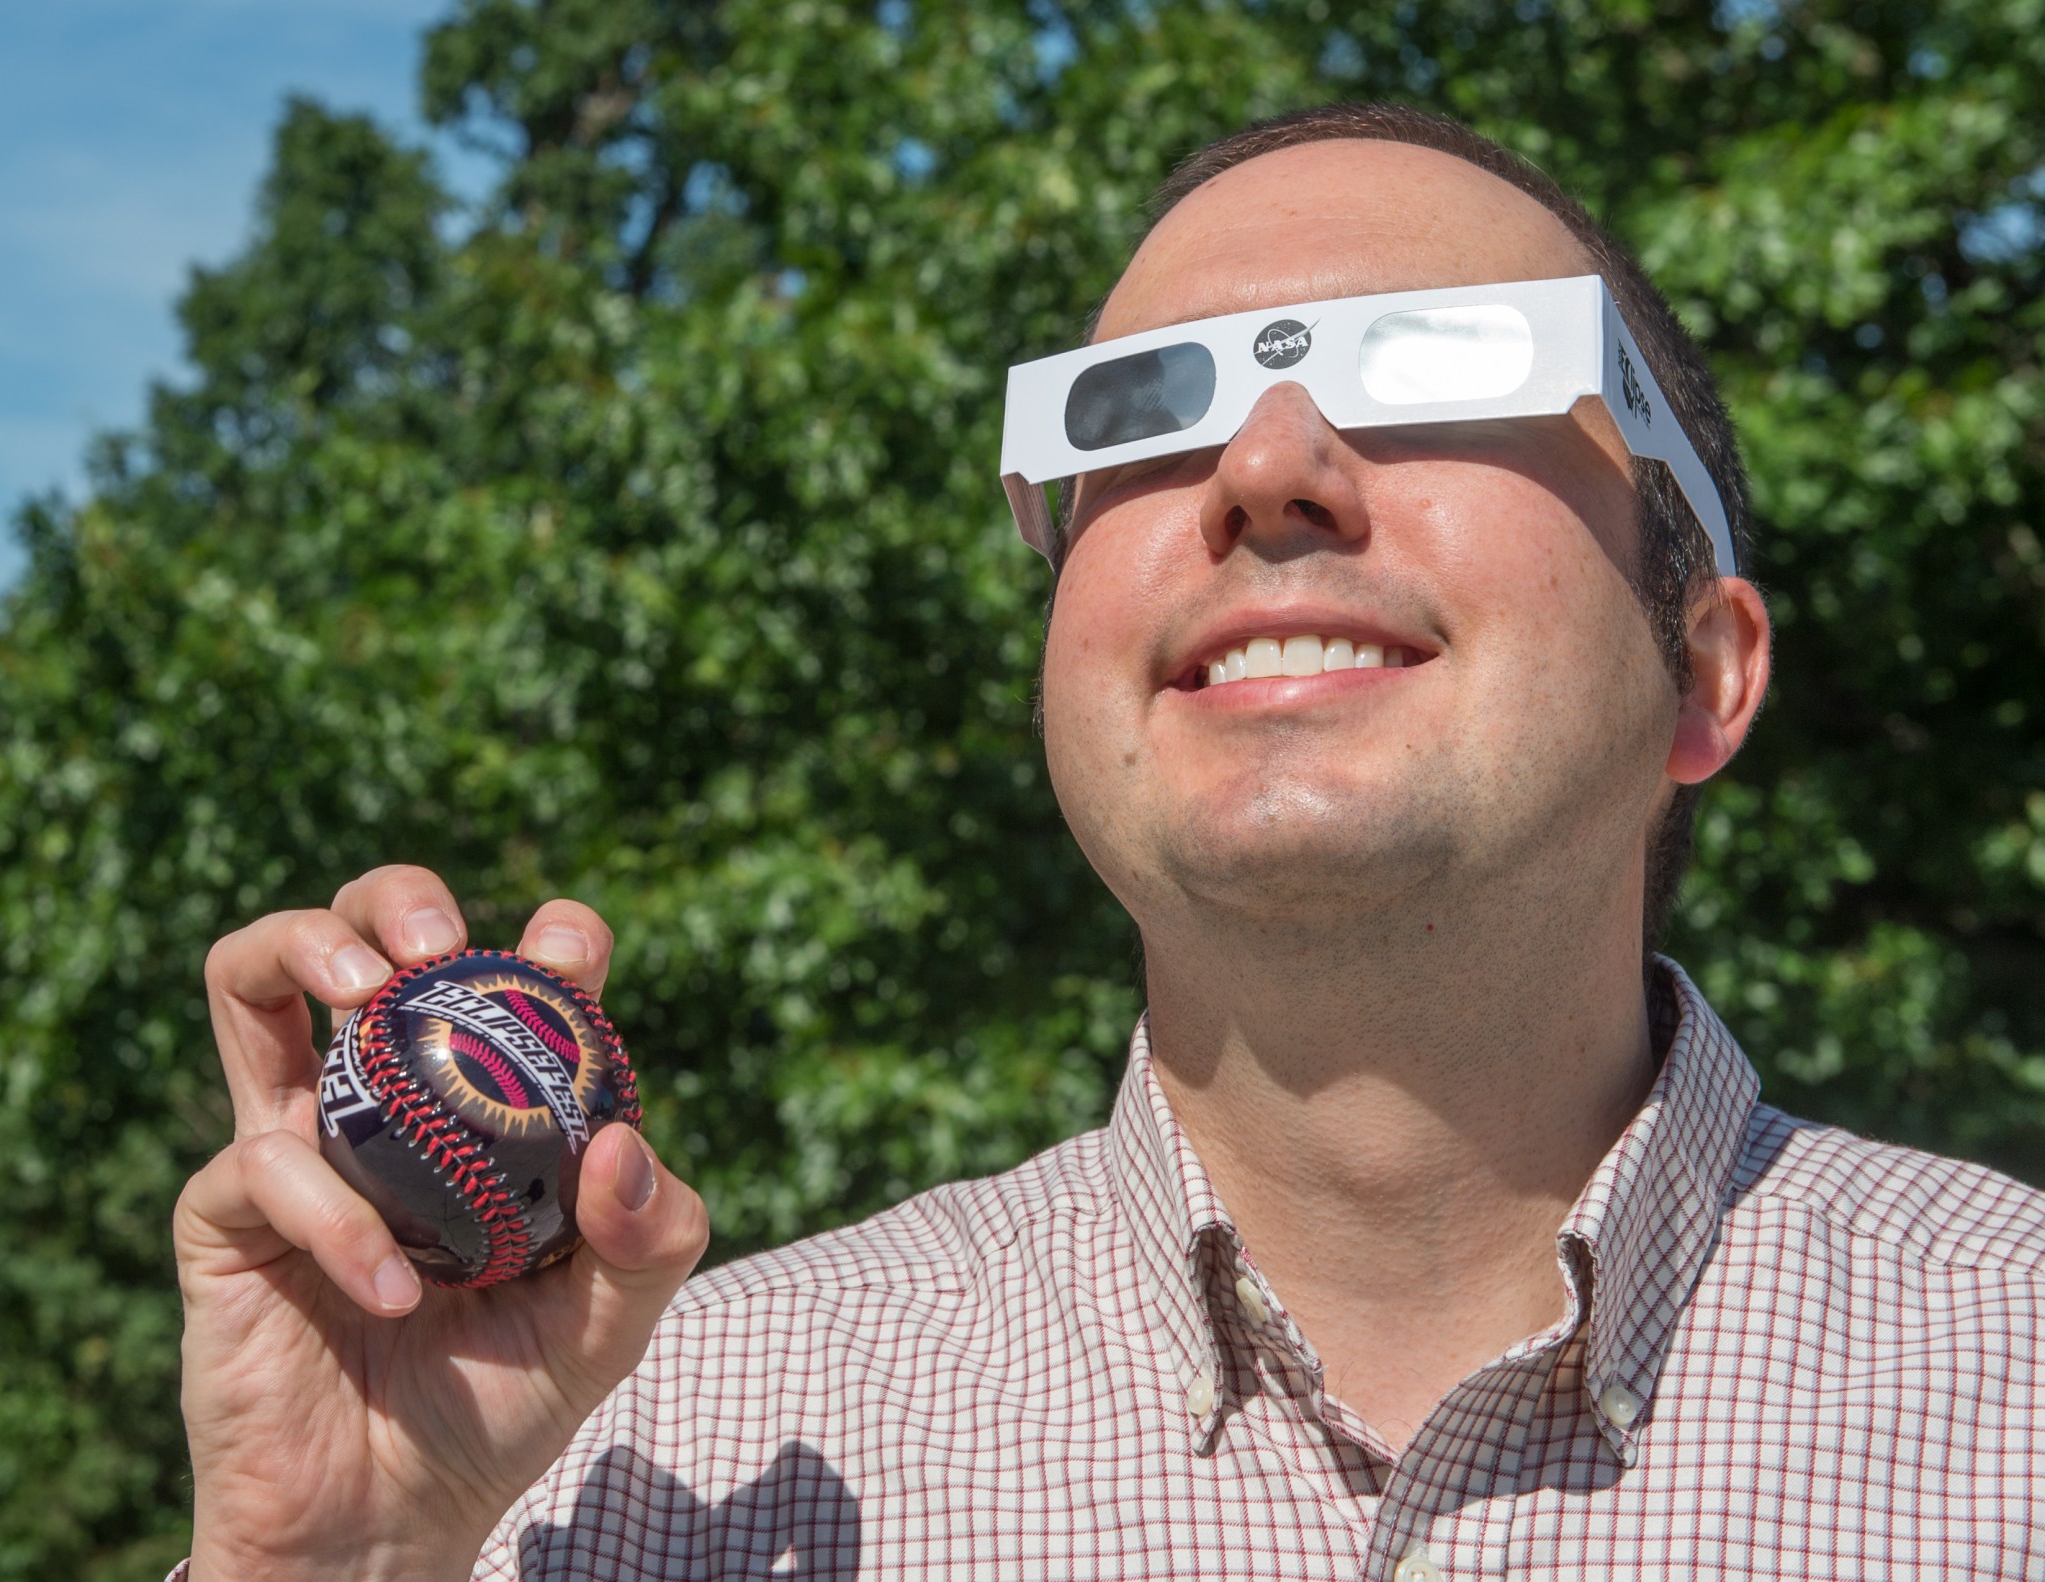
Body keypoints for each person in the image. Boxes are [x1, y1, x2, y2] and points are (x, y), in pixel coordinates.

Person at [171, 103, 2045, 1581]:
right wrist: (321, 1567)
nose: (1267, 466)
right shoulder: (631, 1457)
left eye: (1438, 366)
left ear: (1704, 669)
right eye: (1143, 412)